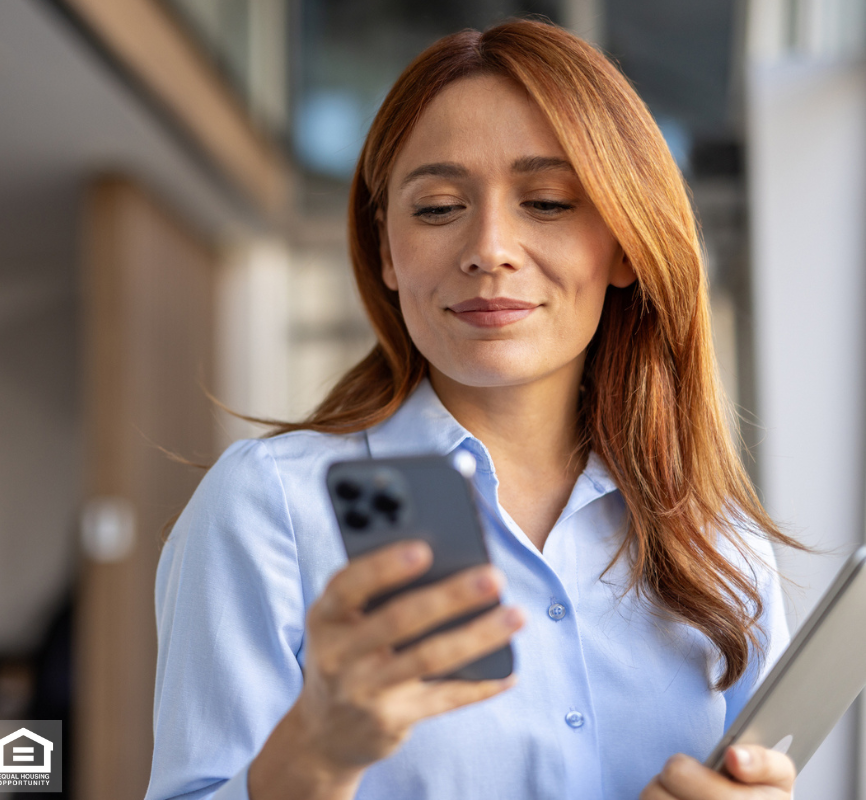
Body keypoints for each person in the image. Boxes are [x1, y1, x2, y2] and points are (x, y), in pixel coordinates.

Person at [144, 18, 802, 800]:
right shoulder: (271, 507)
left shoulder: (718, 546)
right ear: (385, 250)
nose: (489, 247)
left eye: (548, 202)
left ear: (625, 245)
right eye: (436, 208)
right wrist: (313, 759)